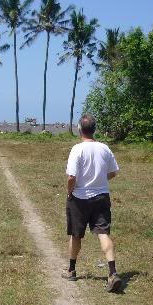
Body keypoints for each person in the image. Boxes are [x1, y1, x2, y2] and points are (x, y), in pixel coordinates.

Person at [62, 114, 122, 292]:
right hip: (101, 197)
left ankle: (71, 270)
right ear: (94, 129)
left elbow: (72, 176)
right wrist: (100, 181)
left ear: (79, 128)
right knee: (103, 233)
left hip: (79, 199)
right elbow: (114, 172)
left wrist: (70, 191)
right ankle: (112, 273)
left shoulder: (77, 149)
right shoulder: (104, 148)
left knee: (76, 235)